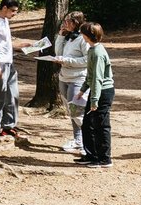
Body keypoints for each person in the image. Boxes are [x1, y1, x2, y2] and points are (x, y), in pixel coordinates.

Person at [0, 0, 33, 138]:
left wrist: (19, 47)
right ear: (4, 8)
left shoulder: (4, 21)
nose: (14, 14)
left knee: (12, 95)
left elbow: (4, 44)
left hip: (9, 62)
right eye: (13, 11)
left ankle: (8, 125)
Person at [43, 11, 89, 153]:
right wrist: (60, 37)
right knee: (71, 111)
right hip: (64, 77)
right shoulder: (68, 37)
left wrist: (67, 60)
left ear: (76, 23)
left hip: (78, 79)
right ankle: (78, 140)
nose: (64, 24)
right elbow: (59, 53)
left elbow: (87, 60)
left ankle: (88, 143)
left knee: (77, 111)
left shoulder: (83, 39)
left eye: (68, 21)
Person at [75, 21, 115, 169]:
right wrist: (83, 90)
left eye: (82, 33)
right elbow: (90, 75)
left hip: (103, 92)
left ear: (87, 35)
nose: (81, 35)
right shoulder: (91, 50)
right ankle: (91, 155)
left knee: (101, 125)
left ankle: (105, 158)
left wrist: (94, 100)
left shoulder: (98, 52)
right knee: (87, 124)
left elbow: (98, 78)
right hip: (95, 91)